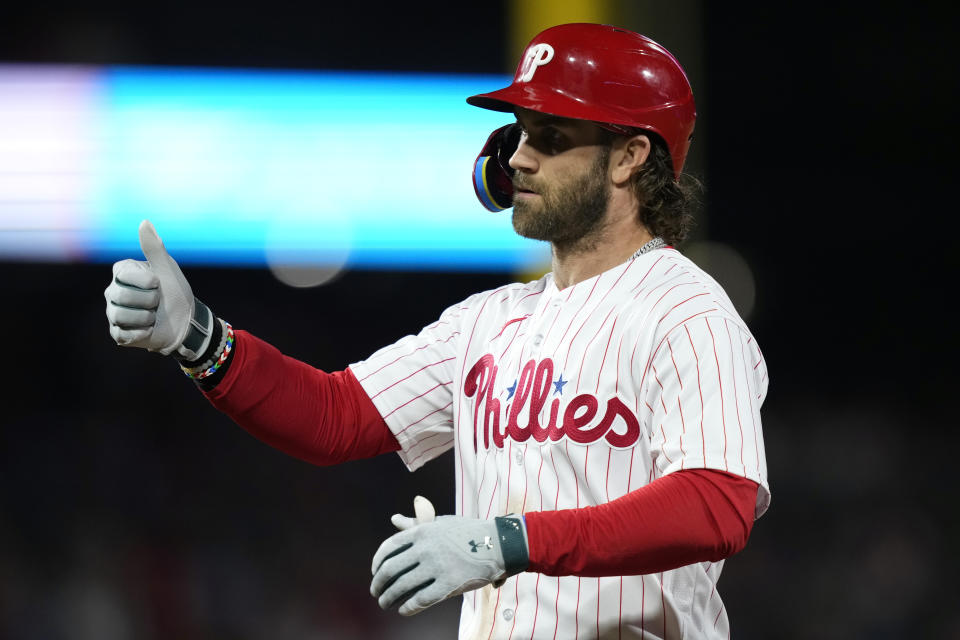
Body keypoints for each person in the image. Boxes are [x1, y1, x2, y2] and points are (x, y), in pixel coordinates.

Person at [105, 23, 770, 639]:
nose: (520, 160)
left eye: (552, 136)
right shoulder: (486, 320)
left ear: (629, 157)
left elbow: (716, 503)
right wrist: (197, 337)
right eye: (519, 133)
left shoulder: (687, 311)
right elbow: (334, 417)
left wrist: (502, 541)